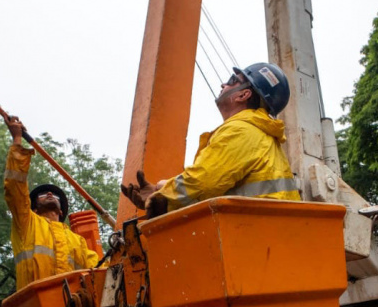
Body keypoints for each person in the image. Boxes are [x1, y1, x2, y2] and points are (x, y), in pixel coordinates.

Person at [121, 62, 301, 217]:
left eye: (232, 80)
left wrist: (161, 200)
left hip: (254, 235)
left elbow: (204, 182)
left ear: (243, 95)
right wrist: (161, 191)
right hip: (265, 233)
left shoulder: (241, 131)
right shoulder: (256, 134)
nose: (224, 84)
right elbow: (213, 181)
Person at [4, 117, 100, 290]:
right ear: (33, 207)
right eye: (43, 193)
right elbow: (15, 188)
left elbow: (99, 269)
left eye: (55, 195)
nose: (49, 193)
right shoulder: (27, 223)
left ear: (61, 212)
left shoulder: (77, 241)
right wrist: (17, 139)